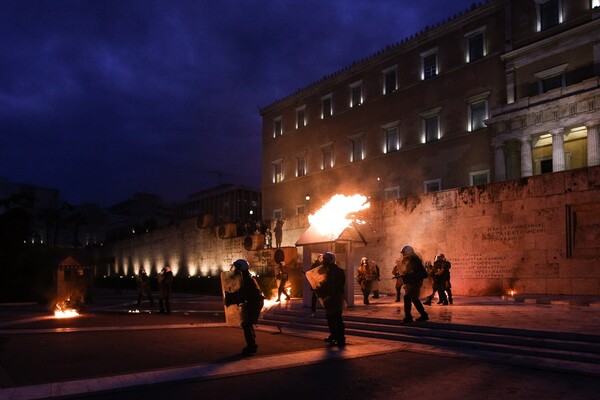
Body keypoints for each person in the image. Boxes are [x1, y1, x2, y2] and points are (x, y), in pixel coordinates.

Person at [231, 259, 265, 355]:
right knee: (247, 324)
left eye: (236, 267)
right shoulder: (245, 276)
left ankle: (251, 346)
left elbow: (242, 292)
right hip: (254, 301)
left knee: (246, 324)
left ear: (241, 268)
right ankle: (252, 345)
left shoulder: (245, 278)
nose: (234, 269)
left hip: (255, 302)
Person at [314, 252, 346, 346]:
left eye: (325, 259)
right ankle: (334, 335)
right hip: (329, 297)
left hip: (334, 297)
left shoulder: (335, 271)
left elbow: (336, 284)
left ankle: (340, 338)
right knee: (330, 317)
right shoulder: (327, 270)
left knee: (336, 318)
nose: (324, 261)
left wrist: (324, 289)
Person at [396, 245, 429, 324]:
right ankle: (424, 315)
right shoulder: (411, 260)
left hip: (416, 282)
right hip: (413, 282)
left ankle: (408, 317)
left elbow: (419, 273)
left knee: (407, 297)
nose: (403, 255)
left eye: (404, 253)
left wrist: (408, 275)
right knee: (414, 299)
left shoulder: (415, 260)